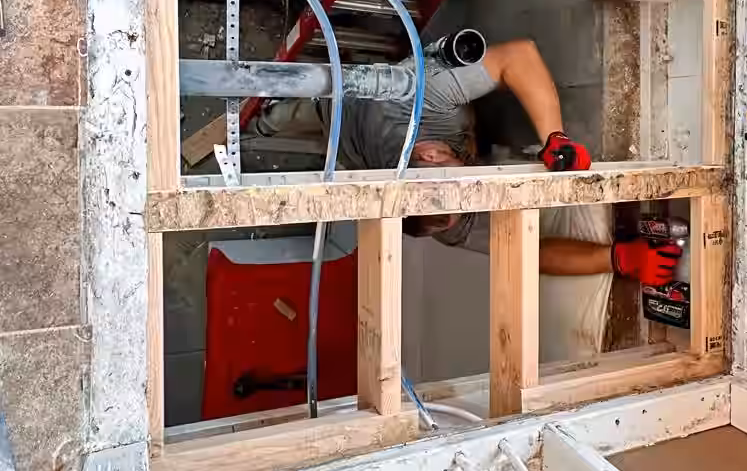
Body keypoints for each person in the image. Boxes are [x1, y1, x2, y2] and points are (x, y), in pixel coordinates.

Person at [257, 37, 681, 286]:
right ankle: (267, 125)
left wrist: (555, 137)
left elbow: (519, 55)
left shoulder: (423, 101)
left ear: (431, 154)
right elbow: (526, 253)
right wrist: (617, 260)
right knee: (301, 131)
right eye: (462, 213)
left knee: (307, 108)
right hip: (351, 142)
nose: (474, 204)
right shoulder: (442, 216)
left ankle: (271, 118)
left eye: (465, 197)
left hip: (348, 104)